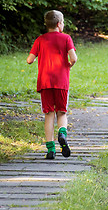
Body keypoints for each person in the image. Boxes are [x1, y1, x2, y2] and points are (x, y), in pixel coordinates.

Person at [27, 10, 78, 160]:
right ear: (58, 24)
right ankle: (62, 133)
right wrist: (69, 64)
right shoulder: (66, 38)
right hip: (61, 82)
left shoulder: (40, 40)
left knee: (49, 114)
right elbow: (74, 58)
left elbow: (29, 60)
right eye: (62, 22)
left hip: (45, 83)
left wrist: (35, 59)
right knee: (61, 112)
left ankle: (50, 150)